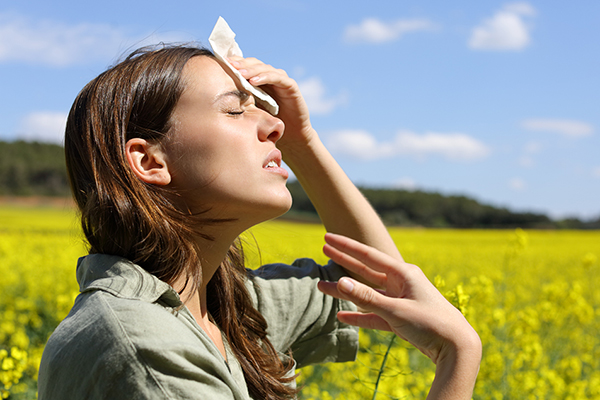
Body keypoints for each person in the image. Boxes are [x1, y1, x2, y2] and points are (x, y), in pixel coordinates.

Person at [38, 44, 481, 400]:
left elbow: (377, 286)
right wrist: (458, 359)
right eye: (235, 110)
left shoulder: (222, 308)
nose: (275, 126)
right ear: (150, 161)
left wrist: (303, 142)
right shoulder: (145, 347)